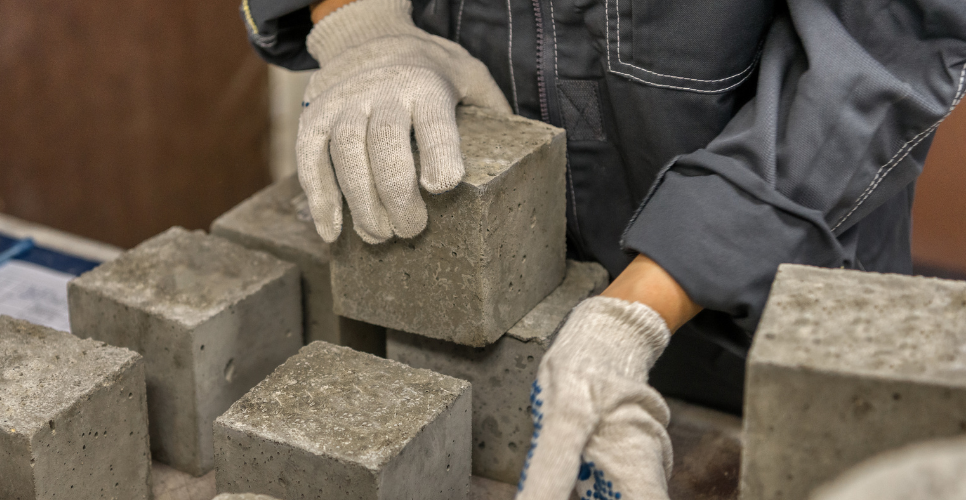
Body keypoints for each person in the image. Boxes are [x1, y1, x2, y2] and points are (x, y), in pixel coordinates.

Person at [239, 0, 966, 497]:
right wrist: (359, 24)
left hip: (777, 268)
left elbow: (883, 47)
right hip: (460, 244)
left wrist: (632, 316)